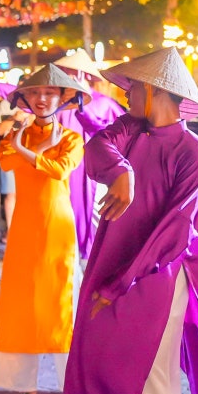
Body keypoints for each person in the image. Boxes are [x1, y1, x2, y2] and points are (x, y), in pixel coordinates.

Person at [61, 47, 198, 394]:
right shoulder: (130, 130)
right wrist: (122, 173)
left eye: (133, 87)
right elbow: (97, 147)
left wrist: (121, 282)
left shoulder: (193, 152)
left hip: (157, 277)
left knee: (154, 381)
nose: (126, 94)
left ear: (158, 91)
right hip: (120, 269)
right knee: (121, 368)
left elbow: (174, 231)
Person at [0, 64, 88, 394]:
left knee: (62, 303)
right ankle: (25, 387)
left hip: (58, 228)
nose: (42, 99)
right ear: (26, 99)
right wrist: (23, 143)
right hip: (24, 227)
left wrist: (30, 148)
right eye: (34, 93)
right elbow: (4, 162)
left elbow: (59, 170)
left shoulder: (73, 138)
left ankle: (73, 386)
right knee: (22, 303)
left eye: (49, 93)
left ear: (62, 98)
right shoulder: (18, 135)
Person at [52, 49, 125, 267]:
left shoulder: (105, 103)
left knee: (95, 225)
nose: (70, 78)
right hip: (64, 172)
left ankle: (92, 269)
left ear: (84, 76)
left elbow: (114, 136)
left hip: (96, 175)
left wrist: (83, 110)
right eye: (66, 73)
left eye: (73, 73)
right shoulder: (60, 105)